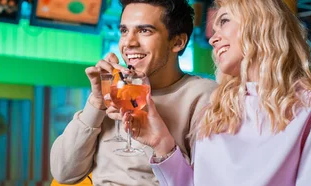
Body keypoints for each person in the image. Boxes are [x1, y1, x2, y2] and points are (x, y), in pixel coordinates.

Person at [126, 0, 311, 185]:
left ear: (261, 24)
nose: (213, 39)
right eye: (213, 30)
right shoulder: (218, 107)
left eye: (224, 21)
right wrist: (160, 141)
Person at [49, 0, 217, 185]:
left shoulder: (205, 96)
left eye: (145, 31)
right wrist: (96, 103)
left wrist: (151, 132)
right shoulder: (115, 93)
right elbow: (64, 172)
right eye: (124, 31)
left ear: (177, 42)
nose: (129, 42)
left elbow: (206, 180)